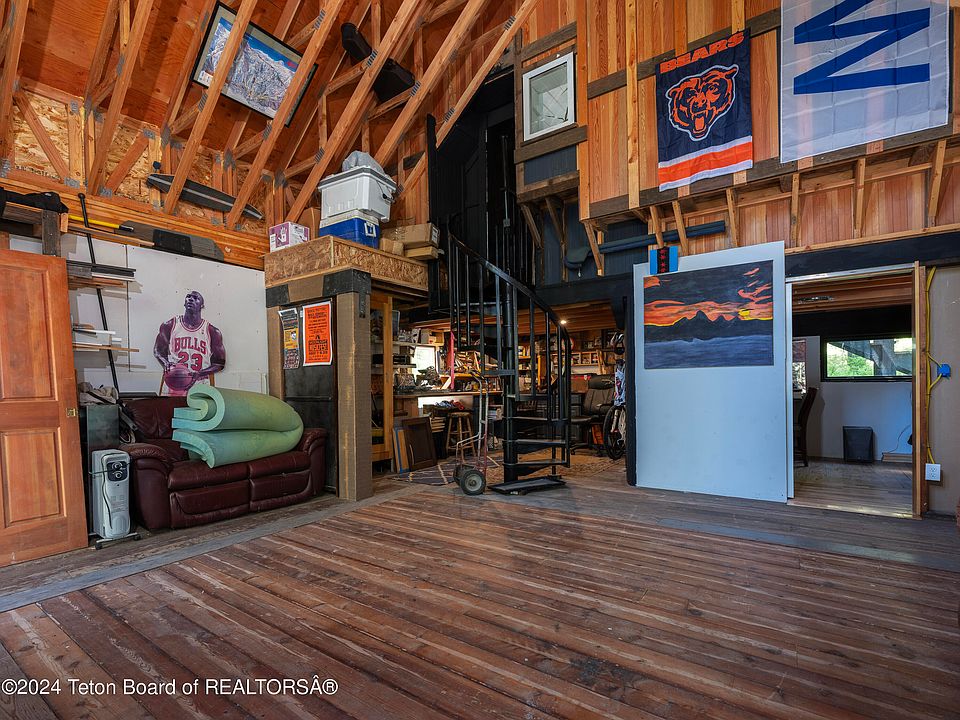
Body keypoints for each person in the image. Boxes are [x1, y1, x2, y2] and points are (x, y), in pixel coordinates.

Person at [154, 290, 225, 396]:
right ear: (184, 303)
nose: (191, 299)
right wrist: (165, 363)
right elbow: (158, 350)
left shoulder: (212, 331)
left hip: (199, 383)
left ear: (202, 306)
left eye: (196, 298)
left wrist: (200, 373)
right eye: (188, 296)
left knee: (199, 407)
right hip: (175, 381)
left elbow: (219, 363)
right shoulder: (170, 325)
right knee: (169, 407)